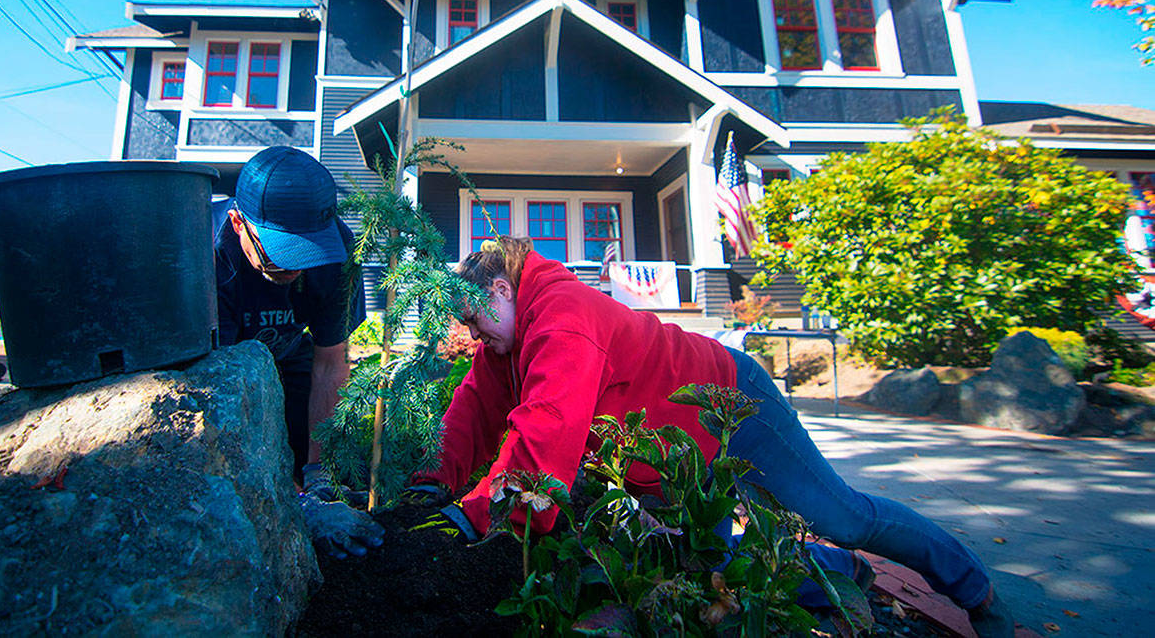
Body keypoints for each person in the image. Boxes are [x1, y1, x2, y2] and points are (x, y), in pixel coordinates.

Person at [413, 237, 1016, 637]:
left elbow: (545, 428)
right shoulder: (507, 340)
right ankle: (839, 573)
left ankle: (973, 587)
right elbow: (475, 406)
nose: (470, 335)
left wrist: (477, 515)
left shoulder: (564, 316)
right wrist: (433, 481)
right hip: (674, 451)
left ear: (499, 291)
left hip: (734, 407)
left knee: (844, 515)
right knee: (710, 557)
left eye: (473, 319)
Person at [215, 145, 382, 558]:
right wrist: (289, 503)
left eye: (304, 254)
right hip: (221, 368)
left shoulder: (338, 252)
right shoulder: (205, 256)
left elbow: (330, 363)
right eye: (279, 256)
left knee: (310, 454)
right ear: (239, 223)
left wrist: (317, 474)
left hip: (291, 350)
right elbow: (219, 396)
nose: (295, 269)